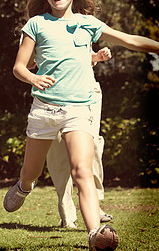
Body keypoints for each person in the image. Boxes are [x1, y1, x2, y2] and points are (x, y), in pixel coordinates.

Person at [4, 0, 159, 250]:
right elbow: (19, 67)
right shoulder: (36, 24)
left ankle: (94, 233)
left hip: (79, 108)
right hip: (45, 110)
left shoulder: (88, 24)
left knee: (82, 170)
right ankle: (25, 186)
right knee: (32, 171)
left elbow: (130, 41)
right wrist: (33, 79)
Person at [46, 47, 113, 229]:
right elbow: (30, 62)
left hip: (87, 93)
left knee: (92, 147)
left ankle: (95, 205)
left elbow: (85, 57)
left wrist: (97, 56)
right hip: (54, 94)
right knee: (58, 152)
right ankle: (67, 214)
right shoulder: (38, 26)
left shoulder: (82, 25)